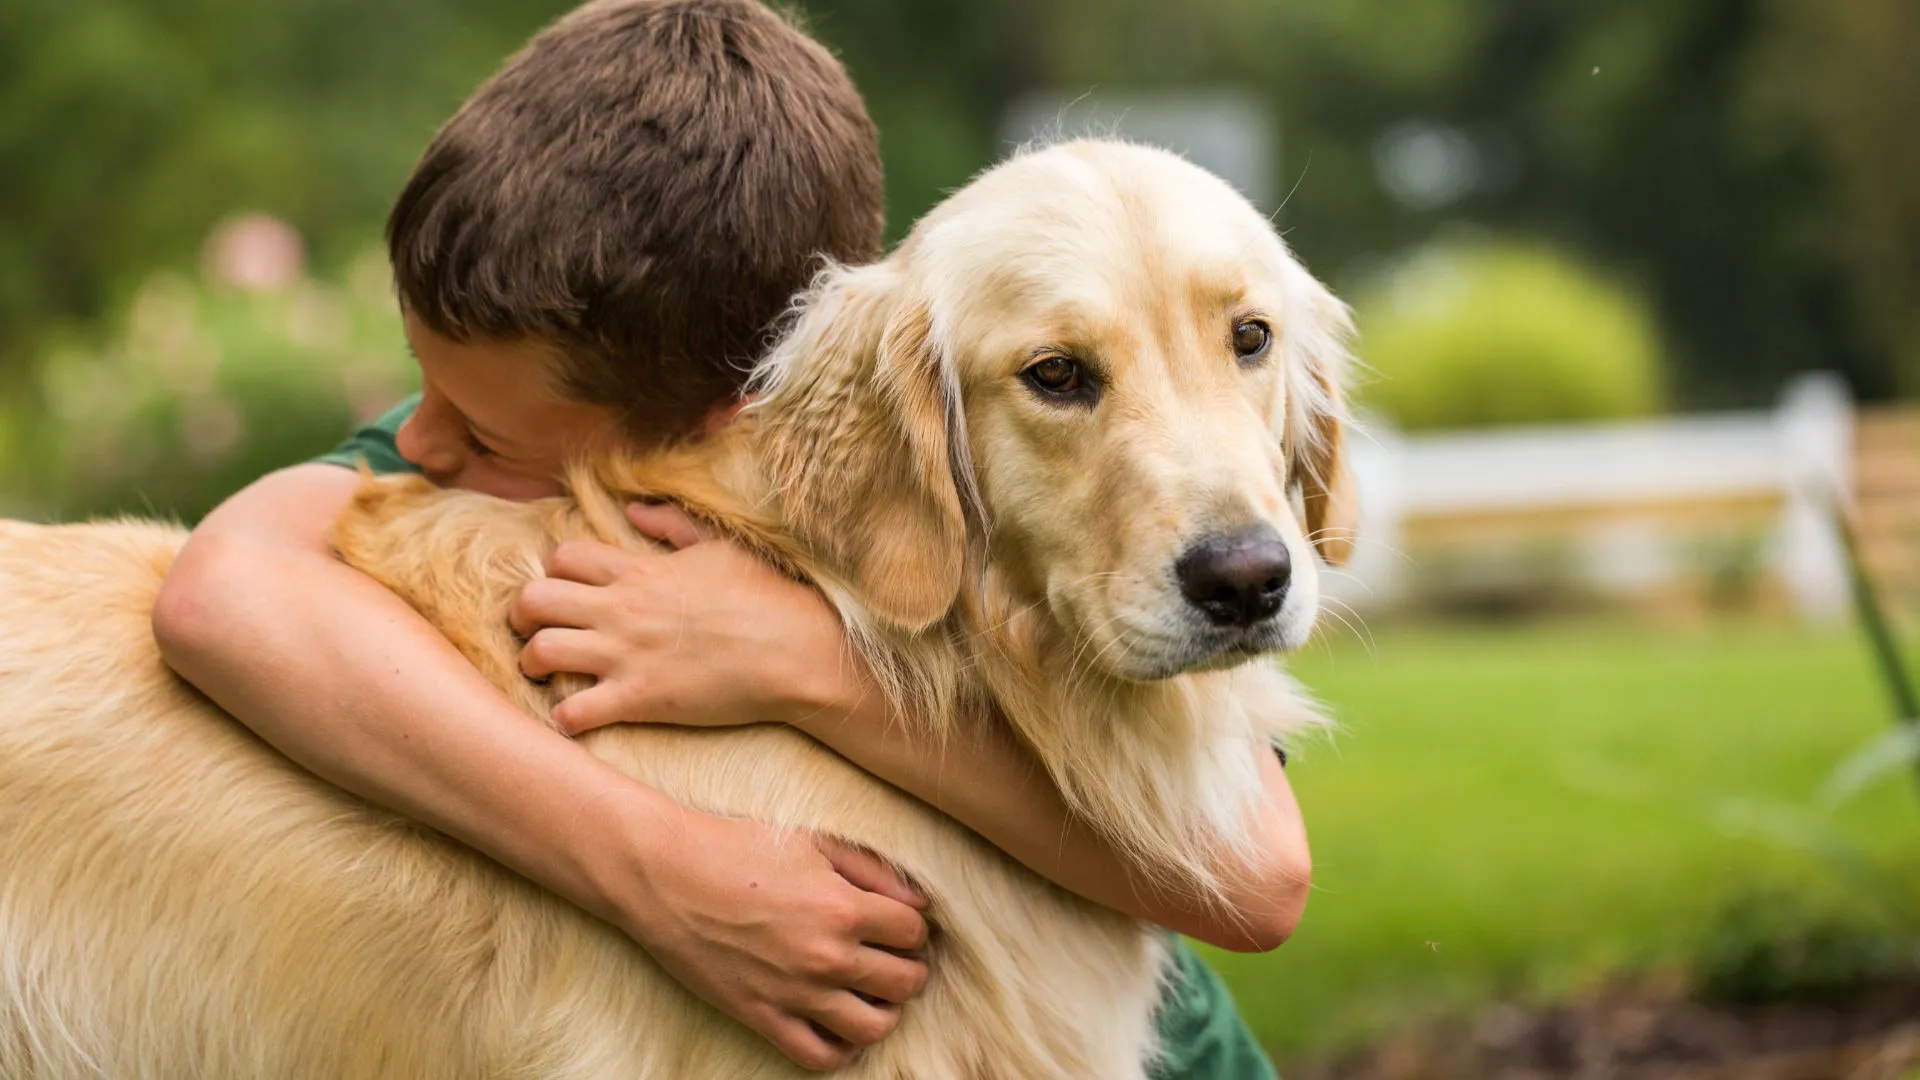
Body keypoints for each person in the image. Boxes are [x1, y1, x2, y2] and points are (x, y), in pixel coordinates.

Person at [152, 1, 1305, 1074]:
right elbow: (222, 593)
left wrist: (807, 668)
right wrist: (655, 865)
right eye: (423, 392)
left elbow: (1257, 882)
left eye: (484, 428)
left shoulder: (896, 424)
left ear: (724, 423)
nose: (425, 445)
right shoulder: (516, 409)